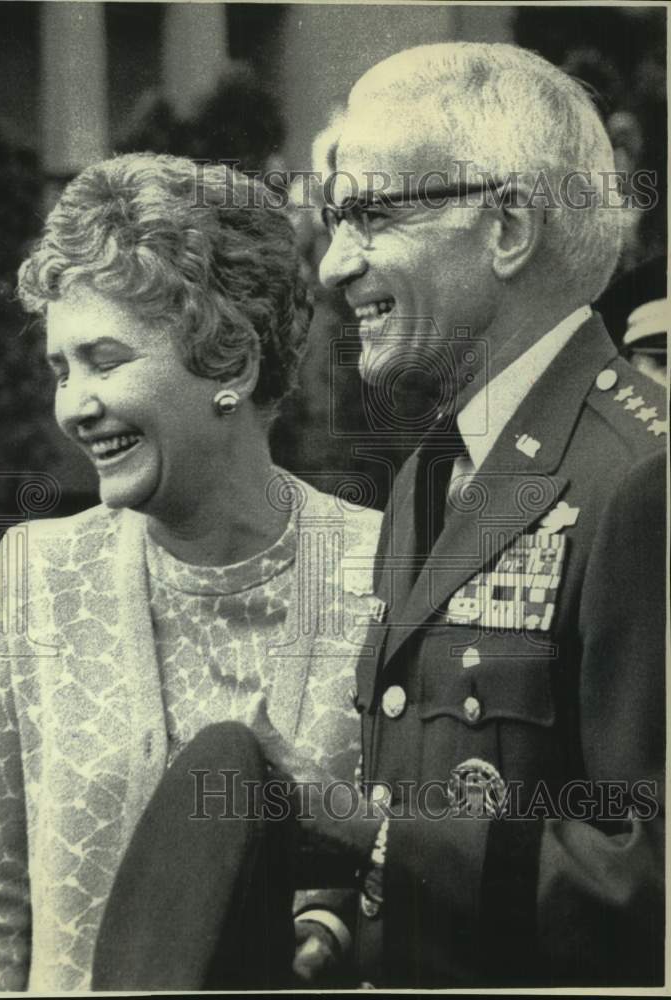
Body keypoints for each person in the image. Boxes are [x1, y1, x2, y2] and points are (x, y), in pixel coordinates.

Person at [0, 153, 381, 992]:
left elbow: (427, 875)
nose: (74, 405)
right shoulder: (32, 580)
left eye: (106, 361)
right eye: (61, 369)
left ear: (232, 363)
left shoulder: (390, 573)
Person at [297, 41, 666, 987]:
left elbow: (654, 885)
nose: (336, 263)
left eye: (371, 214)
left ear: (507, 227)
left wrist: (375, 836)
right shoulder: (436, 470)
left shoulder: (645, 481)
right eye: (336, 221)